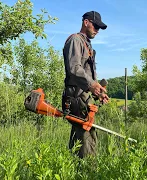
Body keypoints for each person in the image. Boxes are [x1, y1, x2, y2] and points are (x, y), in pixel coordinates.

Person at [62, 11, 109, 159]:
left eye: (99, 28)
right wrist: (92, 85)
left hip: (83, 98)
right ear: (86, 22)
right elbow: (75, 69)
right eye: (95, 26)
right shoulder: (75, 40)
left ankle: (77, 170)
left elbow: (87, 75)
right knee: (85, 140)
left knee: (85, 138)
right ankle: (86, 171)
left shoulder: (86, 44)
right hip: (76, 98)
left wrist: (98, 91)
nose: (97, 30)